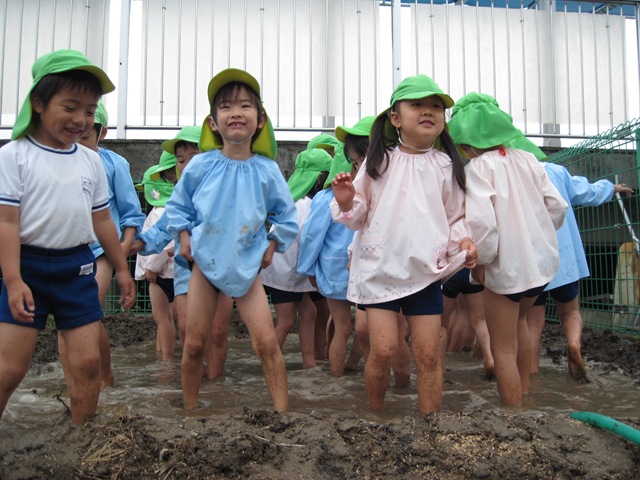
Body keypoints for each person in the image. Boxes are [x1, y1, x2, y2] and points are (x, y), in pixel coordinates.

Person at [0, 49, 136, 424]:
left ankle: (81, 437)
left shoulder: (91, 160)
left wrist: (122, 271)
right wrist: (12, 281)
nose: (81, 120)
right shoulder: (14, 156)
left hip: (77, 266)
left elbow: (103, 220)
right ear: (39, 103)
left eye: (90, 111)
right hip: (25, 267)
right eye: (71, 107)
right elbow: (7, 223)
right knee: (9, 370)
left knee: (88, 363)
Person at [331, 75, 477, 413]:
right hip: (381, 271)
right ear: (395, 119)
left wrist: (465, 240)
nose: (429, 112)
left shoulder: (445, 165)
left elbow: (457, 216)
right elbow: (358, 215)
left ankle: (430, 423)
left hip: (425, 273)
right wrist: (346, 199)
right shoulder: (379, 162)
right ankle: (376, 417)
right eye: (418, 105)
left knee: (428, 356)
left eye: (436, 107)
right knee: (382, 351)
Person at [163, 68, 298, 411]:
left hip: (247, 267)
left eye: (244, 106)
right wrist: (182, 237)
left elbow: (286, 215)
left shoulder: (267, 170)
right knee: (194, 344)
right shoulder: (200, 166)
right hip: (205, 267)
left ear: (261, 119)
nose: (235, 113)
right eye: (225, 107)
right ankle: (191, 411)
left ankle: (284, 414)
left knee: (267, 343)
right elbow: (178, 205)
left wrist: (271, 245)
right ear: (213, 122)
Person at [448, 92, 567, 406]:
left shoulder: (477, 169)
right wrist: (539, 234)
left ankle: (513, 412)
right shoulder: (528, 159)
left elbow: (484, 225)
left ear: (465, 142)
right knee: (521, 325)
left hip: (505, 269)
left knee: (503, 348)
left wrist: (482, 261)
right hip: (540, 267)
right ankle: (526, 389)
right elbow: (557, 207)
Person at [57, 100, 145, 388]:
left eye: (85, 136)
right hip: (67, 249)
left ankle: (103, 378)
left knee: (84, 310)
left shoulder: (113, 164)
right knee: (72, 317)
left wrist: (123, 248)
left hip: (103, 251)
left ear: (102, 133)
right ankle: (74, 385)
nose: (78, 142)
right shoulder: (59, 160)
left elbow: (132, 213)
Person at [527, 164, 633, 381]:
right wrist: (611, 188)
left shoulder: (510, 169)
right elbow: (586, 191)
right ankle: (574, 343)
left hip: (532, 260)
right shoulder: (555, 171)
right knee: (571, 312)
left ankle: (531, 376)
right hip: (564, 258)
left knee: (532, 324)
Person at [260, 145, 333, 368]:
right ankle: (269, 362)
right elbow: (308, 240)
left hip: (288, 270)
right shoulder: (307, 205)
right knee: (285, 320)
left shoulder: (294, 201)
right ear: (320, 178)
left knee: (309, 312)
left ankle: (309, 362)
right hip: (286, 272)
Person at [298, 138, 360, 378]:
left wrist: (309, 270)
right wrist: (309, 270)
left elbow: (311, 237)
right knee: (356, 325)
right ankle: (347, 368)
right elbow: (312, 237)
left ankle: (338, 376)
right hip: (352, 270)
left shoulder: (327, 198)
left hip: (335, 270)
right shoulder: (346, 196)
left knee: (344, 326)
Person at [135, 154, 178, 361]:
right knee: (167, 318)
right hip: (174, 272)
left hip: (160, 274)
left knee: (162, 318)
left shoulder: (159, 212)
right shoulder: (171, 209)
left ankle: (166, 360)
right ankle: (162, 354)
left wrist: (151, 268)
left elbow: (166, 244)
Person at [441, 268, 494, 380]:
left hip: (449, 272)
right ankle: (489, 356)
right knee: (479, 320)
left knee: (442, 325)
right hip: (471, 271)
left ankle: (438, 367)